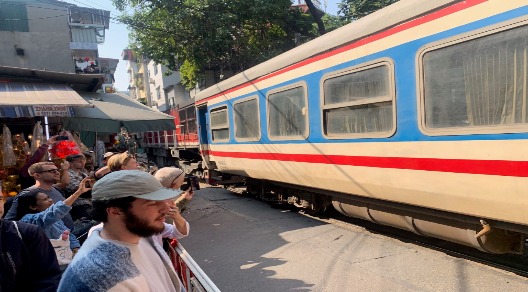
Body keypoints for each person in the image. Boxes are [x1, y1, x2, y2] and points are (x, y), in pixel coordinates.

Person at [58, 170, 185, 292]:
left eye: (163, 200)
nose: (166, 208)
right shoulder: (101, 277)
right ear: (115, 211)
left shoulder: (140, 236)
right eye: (152, 203)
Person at [0, 195, 62, 291]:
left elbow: (49, 280)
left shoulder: (28, 233)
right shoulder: (30, 221)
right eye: (45, 199)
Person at [15, 177, 92, 252]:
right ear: (33, 207)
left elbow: (68, 234)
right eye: (45, 199)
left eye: (48, 197)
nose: (51, 200)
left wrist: (75, 249)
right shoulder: (29, 220)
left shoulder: (56, 220)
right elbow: (54, 213)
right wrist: (77, 193)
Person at [4, 162, 74, 231]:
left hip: (68, 236)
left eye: (57, 170)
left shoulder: (55, 188)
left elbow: (65, 183)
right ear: (37, 175)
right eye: (52, 171)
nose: (57, 173)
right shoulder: (28, 194)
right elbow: (8, 221)